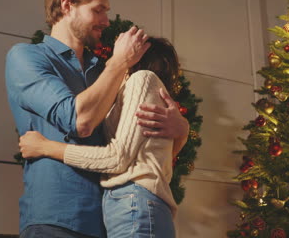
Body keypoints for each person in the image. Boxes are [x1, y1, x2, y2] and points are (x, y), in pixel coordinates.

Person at [5, 0, 189, 237]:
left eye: (107, 11)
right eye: (97, 10)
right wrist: (119, 63)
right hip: (56, 216)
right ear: (67, 6)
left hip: (109, 219)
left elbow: (136, 151)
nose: (106, 21)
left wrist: (180, 129)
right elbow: (80, 121)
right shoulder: (27, 57)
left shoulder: (104, 71)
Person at [19, 37, 181, 238]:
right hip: (130, 203)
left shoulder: (142, 79)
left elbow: (118, 158)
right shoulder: (133, 89)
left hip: (134, 201)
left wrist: (46, 147)